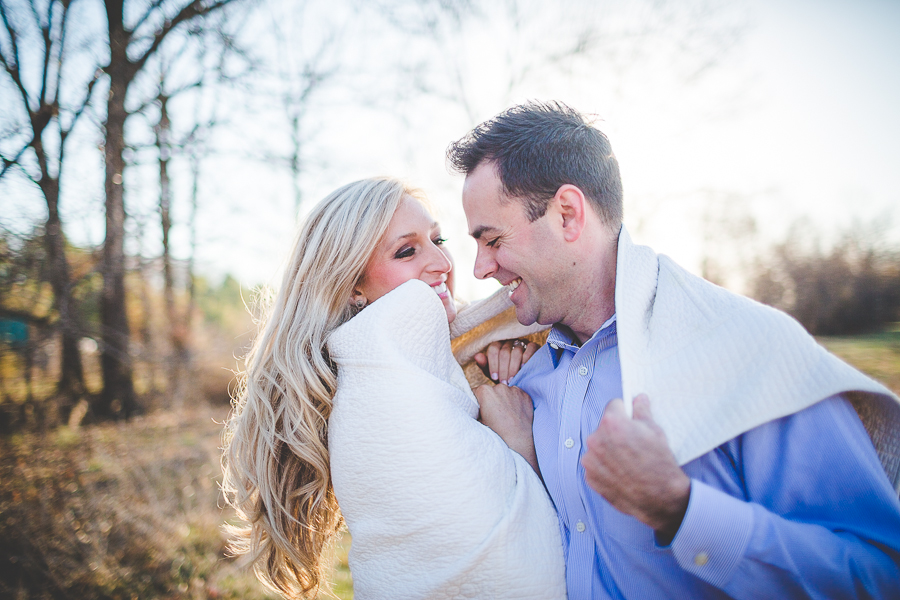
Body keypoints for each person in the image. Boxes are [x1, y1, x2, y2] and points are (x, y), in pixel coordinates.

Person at [446, 101, 900, 599]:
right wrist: (526, 462)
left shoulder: (747, 349)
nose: (479, 269)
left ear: (567, 214)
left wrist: (680, 508)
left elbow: (878, 575)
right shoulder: (525, 380)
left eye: (492, 239)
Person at [221, 177, 566, 600]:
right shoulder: (380, 398)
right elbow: (515, 566)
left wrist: (500, 384)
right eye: (407, 251)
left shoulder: (448, 362)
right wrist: (517, 441)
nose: (443, 262)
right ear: (352, 286)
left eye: (439, 239)